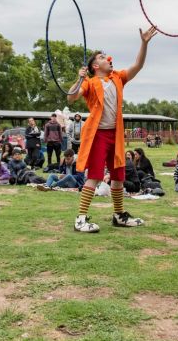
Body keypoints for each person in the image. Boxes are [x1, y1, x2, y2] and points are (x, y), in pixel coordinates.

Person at [65, 27, 157, 232]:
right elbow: (71, 98)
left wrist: (144, 43)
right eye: (102, 57)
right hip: (98, 135)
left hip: (115, 135)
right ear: (95, 65)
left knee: (118, 177)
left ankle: (119, 215)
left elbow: (138, 65)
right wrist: (79, 78)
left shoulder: (117, 78)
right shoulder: (89, 83)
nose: (108, 58)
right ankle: (80, 219)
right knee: (95, 176)